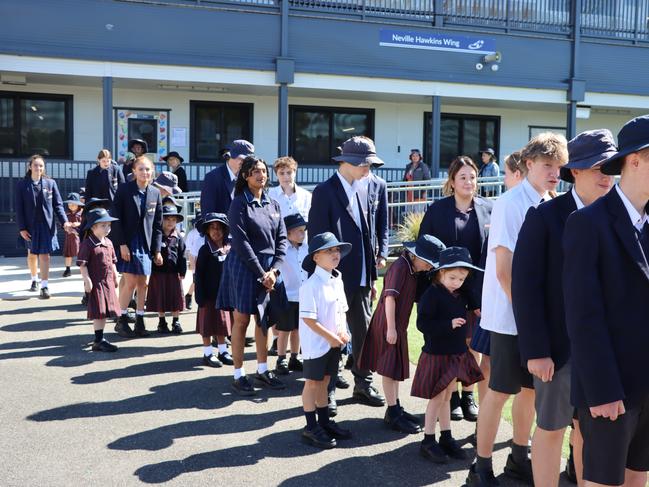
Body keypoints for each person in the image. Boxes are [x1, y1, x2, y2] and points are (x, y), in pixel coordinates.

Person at [512, 129, 616, 487]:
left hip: (603, 353)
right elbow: (526, 289)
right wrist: (537, 351)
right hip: (557, 352)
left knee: (589, 434)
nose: (607, 176)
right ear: (575, 171)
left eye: (612, 168)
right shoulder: (544, 217)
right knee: (552, 429)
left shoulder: (618, 217)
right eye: (599, 168)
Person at [467, 132, 568, 486]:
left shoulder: (552, 201)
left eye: (559, 167)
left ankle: (518, 457)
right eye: (547, 165)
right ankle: (479, 467)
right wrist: (532, 324)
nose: (555, 173)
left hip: (533, 322)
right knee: (499, 392)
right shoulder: (511, 204)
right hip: (511, 320)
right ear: (528, 165)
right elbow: (504, 272)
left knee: (529, 392)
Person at [563, 115, 649, 487]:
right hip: (609, 390)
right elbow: (584, 317)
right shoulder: (588, 223)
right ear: (635, 160)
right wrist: (602, 390)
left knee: (638, 479)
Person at [308, 136, 387, 413]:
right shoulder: (325, 191)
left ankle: (363, 382)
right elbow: (316, 238)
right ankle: (327, 390)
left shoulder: (376, 185)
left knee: (363, 331)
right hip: (334, 276)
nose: (369, 169)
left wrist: (381, 254)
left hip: (365, 274)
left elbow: (381, 226)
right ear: (349, 162)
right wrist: (322, 276)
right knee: (333, 333)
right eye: (365, 164)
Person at [418, 155, 492, 423]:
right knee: (452, 343)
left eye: (472, 177)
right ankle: (451, 399)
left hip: (477, 290)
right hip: (446, 290)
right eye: (463, 177)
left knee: (474, 344)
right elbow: (425, 247)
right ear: (451, 181)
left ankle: (467, 394)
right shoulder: (438, 210)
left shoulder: (488, 208)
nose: (469, 181)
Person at [358, 235, 443, 434]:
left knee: (395, 368)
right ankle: (392, 411)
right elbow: (390, 297)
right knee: (389, 369)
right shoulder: (400, 267)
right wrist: (391, 328)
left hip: (397, 325)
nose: (430, 267)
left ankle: (395, 407)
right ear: (416, 256)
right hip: (389, 324)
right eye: (429, 262)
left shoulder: (412, 268)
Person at [217, 156, 287, 395]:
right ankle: (239, 374)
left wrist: (274, 270)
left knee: (264, 321)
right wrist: (262, 273)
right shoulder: (238, 204)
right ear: (245, 176)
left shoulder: (273, 204)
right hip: (244, 267)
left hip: (269, 269)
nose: (261, 175)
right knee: (242, 320)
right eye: (255, 171)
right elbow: (242, 243)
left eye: (264, 170)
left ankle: (262, 369)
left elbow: (282, 241)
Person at [412, 246, 484, 463]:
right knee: (437, 398)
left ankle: (446, 436)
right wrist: (448, 324)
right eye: (452, 277)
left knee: (447, 396)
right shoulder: (431, 295)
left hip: (456, 353)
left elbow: (472, 298)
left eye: (461, 279)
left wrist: (469, 292)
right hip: (437, 355)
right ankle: (428, 440)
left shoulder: (461, 294)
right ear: (440, 272)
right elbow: (422, 323)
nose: (457, 282)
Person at [470, 150, 525, 413]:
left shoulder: (519, 204)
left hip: (505, 305)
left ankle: (490, 422)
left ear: (518, 173)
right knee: (488, 363)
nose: (503, 179)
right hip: (496, 303)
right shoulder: (505, 204)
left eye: (506, 173)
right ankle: (484, 417)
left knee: (506, 375)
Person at [299, 232, 352, 449]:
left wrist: (342, 332)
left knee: (326, 380)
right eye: (329, 250)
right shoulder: (310, 286)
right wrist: (331, 338)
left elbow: (342, 310)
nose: (335, 254)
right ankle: (310, 427)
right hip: (317, 345)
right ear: (315, 257)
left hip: (333, 343)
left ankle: (324, 422)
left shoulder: (336, 280)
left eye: (337, 250)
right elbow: (309, 320)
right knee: (312, 383)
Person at [112, 155, 163, 338]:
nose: (144, 172)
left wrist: (157, 250)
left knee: (144, 283)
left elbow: (158, 224)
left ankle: (140, 320)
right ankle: (122, 319)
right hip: (128, 242)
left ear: (152, 172)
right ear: (134, 171)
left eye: (148, 169)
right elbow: (115, 219)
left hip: (146, 244)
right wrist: (122, 244)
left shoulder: (155, 193)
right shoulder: (125, 190)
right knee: (131, 282)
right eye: (140, 169)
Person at [15, 155, 72, 299]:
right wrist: (22, 228)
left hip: (47, 225)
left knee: (45, 256)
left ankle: (44, 286)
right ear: (30, 167)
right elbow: (19, 208)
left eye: (41, 165)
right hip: (29, 226)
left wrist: (65, 221)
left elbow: (58, 205)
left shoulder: (50, 183)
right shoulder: (22, 185)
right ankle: (34, 279)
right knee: (32, 255)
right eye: (35, 165)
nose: (38, 168)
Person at [77, 208, 120, 353]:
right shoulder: (87, 244)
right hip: (96, 283)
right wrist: (86, 279)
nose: (107, 228)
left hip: (107, 282)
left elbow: (113, 261)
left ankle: (100, 338)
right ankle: (98, 340)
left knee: (106, 311)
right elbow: (82, 264)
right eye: (103, 225)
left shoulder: (109, 242)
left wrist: (115, 275)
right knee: (99, 311)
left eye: (109, 225)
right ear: (93, 226)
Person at [194, 212, 233, 368]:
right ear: (207, 231)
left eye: (219, 228)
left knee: (222, 325)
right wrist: (200, 296)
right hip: (208, 296)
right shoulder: (205, 250)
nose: (216, 231)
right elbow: (199, 274)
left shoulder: (229, 249)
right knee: (208, 325)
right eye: (212, 228)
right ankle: (207, 352)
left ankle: (223, 351)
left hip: (223, 295)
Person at [274, 213, 308, 375]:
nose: (303, 234)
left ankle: (295, 357)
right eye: (299, 231)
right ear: (287, 233)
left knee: (298, 329)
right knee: (285, 329)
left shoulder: (307, 249)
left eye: (304, 230)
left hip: (304, 297)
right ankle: (281, 358)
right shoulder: (282, 251)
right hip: (287, 295)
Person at [145, 205, 186, 335]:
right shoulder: (156, 236)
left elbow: (182, 255)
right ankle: (162, 321)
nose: (170, 222)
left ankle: (176, 321)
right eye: (167, 219)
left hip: (174, 273)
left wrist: (182, 270)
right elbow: (149, 252)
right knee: (160, 298)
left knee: (175, 297)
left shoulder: (178, 237)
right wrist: (153, 258)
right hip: (158, 273)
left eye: (173, 219)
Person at [200, 139, 254, 215]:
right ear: (229, 156)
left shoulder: (248, 177)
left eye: (247, 160)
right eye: (240, 158)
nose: (243, 162)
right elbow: (208, 212)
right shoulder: (213, 177)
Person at [268, 156, 312, 221]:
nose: (286, 176)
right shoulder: (269, 195)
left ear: (295, 173)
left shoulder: (307, 196)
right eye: (281, 173)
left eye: (289, 173)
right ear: (276, 175)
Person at [184, 211, 204, 310]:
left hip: (205, 259)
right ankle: (189, 296)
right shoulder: (192, 233)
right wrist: (192, 264)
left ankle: (189, 295)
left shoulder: (206, 233)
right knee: (196, 281)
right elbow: (188, 249)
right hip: (195, 259)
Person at [61, 192, 84, 277]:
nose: (71, 206)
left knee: (81, 253)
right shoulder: (66, 214)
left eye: (73, 204)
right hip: (69, 237)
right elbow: (62, 224)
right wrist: (66, 226)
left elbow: (86, 223)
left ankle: (83, 268)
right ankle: (67, 269)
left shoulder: (82, 213)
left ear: (78, 204)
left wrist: (78, 224)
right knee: (68, 254)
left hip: (80, 237)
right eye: (69, 204)